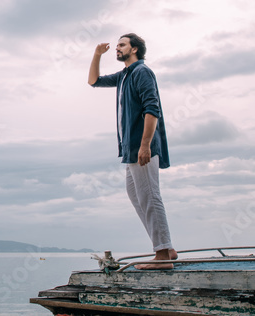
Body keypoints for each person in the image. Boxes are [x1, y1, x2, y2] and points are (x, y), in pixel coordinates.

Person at [87, 33, 176, 269]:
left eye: (122, 45)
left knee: (149, 195)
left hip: (141, 146)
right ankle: (166, 247)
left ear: (134, 49)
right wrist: (97, 55)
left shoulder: (141, 72)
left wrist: (145, 144)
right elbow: (93, 81)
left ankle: (162, 256)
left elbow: (152, 108)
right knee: (136, 195)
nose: (117, 48)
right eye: (117, 45)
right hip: (131, 149)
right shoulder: (125, 75)